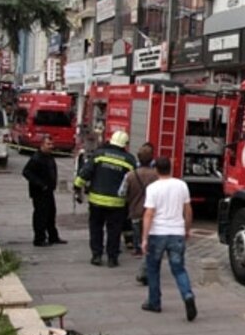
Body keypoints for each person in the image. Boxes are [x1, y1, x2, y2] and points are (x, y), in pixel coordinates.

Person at [141, 156, 196, 321]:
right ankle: (187, 295)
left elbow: (149, 214)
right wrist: (186, 229)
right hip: (176, 233)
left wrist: (144, 238)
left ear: (156, 169)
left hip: (157, 233)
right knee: (179, 269)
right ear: (170, 168)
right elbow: (188, 211)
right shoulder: (182, 185)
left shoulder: (152, 188)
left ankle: (154, 302)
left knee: (153, 269)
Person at [73, 130, 137, 267]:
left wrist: (77, 187)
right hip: (117, 203)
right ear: (125, 144)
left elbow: (85, 172)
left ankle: (96, 255)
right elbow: (133, 181)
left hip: (96, 201)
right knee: (114, 231)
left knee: (96, 228)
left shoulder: (99, 154)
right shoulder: (130, 160)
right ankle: (112, 258)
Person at [22, 134, 66, 247]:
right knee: (40, 215)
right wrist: (40, 184)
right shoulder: (36, 158)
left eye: (52, 144)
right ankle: (39, 239)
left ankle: (53, 237)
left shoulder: (49, 156)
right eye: (48, 144)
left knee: (51, 214)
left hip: (49, 191)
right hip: (39, 192)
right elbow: (26, 172)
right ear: (42, 145)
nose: (51, 146)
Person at [123, 142, 157, 285]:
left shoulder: (130, 175)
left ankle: (142, 262)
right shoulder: (156, 175)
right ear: (152, 159)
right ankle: (146, 269)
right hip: (151, 214)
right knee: (149, 242)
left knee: (141, 241)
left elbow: (122, 193)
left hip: (135, 213)